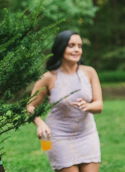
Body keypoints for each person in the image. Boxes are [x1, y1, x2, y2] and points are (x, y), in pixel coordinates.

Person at [28, 31, 102, 172]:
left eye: (79, 46)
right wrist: (40, 123)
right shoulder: (48, 77)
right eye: (71, 45)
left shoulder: (90, 72)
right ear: (61, 48)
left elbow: (99, 105)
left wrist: (88, 106)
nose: (77, 50)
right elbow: (30, 106)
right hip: (58, 137)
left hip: (87, 134)